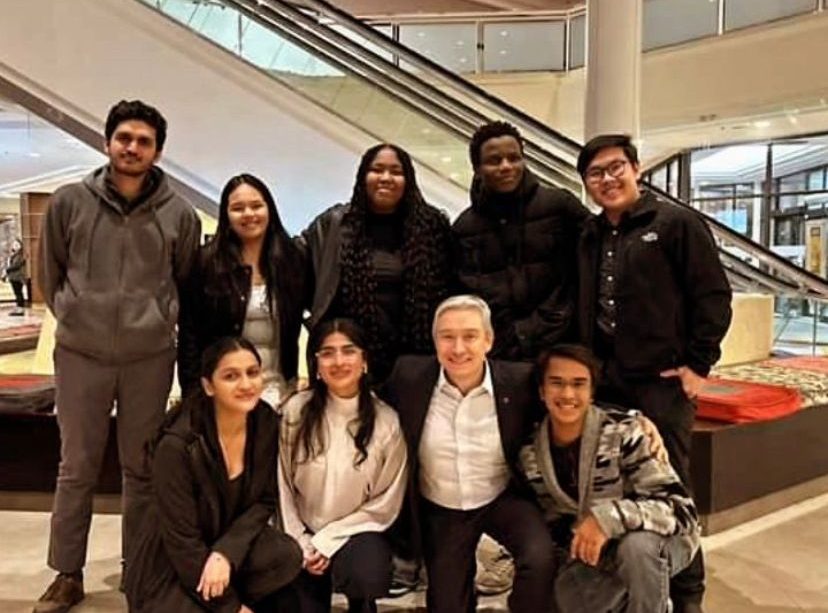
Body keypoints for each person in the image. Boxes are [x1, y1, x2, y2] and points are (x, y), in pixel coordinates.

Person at [35, 99, 201, 613]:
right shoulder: (68, 202)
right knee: (76, 468)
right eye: (124, 138)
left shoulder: (180, 213)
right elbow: (48, 274)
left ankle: (139, 570)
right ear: (108, 142)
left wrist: (160, 318)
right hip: (81, 355)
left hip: (149, 357)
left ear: (158, 151)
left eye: (144, 141)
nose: (132, 148)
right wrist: (74, 312)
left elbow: (186, 280)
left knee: (142, 470)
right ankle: (67, 573)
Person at [576, 133, 732, 613]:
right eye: (596, 173)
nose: (607, 179)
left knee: (673, 491)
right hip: (607, 384)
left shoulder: (676, 223)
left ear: (636, 168)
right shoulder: (589, 234)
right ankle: (634, 584)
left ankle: (688, 597)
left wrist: (697, 365)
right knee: (616, 486)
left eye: (615, 167)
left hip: (661, 385)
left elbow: (713, 296)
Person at [382, 295, 556, 613]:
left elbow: (569, 402)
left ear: (488, 340)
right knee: (447, 604)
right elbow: (365, 402)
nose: (458, 348)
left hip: (502, 497)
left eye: (470, 336)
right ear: (435, 342)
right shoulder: (408, 377)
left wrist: (633, 418)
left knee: (540, 556)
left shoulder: (519, 381)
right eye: (447, 336)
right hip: (441, 507)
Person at [125, 336, 303, 612]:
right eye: (231, 376)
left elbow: (265, 500)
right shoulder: (177, 446)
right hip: (171, 564)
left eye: (252, 373)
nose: (246, 384)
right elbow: (182, 543)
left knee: (285, 555)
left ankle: (223, 592)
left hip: (221, 545)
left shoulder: (265, 421)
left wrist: (225, 553)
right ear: (209, 386)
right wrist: (232, 608)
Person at [521, 344, 700, 613]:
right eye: (556, 383)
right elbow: (555, 525)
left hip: (660, 539)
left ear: (592, 392)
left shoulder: (625, 433)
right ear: (541, 391)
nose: (567, 393)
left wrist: (607, 519)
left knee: (636, 550)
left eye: (578, 384)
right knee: (568, 594)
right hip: (597, 552)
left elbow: (680, 510)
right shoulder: (531, 454)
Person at [279, 319, 407, 612]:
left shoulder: (386, 422)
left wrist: (328, 540)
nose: (338, 361)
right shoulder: (295, 411)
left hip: (355, 533)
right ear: (317, 364)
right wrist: (302, 542)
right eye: (327, 353)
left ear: (364, 361)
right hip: (300, 535)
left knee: (367, 571)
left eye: (348, 351)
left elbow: (386, 501)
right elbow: (281, 484)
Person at [299, 143, 452, 384]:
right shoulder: (335, 224)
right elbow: (301, 274)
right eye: (377, 170)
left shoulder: (432, 228)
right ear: (362, 177)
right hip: (351, 361)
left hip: (416, 361)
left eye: (396, 172)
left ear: (408, 179)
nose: (386, 178)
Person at [453, 121, 589, 361]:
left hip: (563, 344)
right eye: (494, 161)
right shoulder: (464, 228)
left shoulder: (560, 206)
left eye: (514, 158)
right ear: (477, 168)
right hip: (501, 352)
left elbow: (591, 261)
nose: (506, 166)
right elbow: (465, 293)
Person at [179, 174, 305, 407]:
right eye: (238, 208)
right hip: (226, 392)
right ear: (226, 215)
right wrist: (193, 396)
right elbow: (190, 335)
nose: (249, 214)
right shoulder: (207, 262)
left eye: (256, 206)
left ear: (270, 210)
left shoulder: (291, 259)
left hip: (280, 391)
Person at [4, 238, 28, 315]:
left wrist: (7, 269)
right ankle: (18, 308)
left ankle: (20, 309)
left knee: (18, 293)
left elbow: (16, 265)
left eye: (17, 245)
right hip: (13, 277)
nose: (15, 246)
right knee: (17, 293)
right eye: (14, 244)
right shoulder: (14, 255)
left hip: (17, 277)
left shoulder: (20, 255)